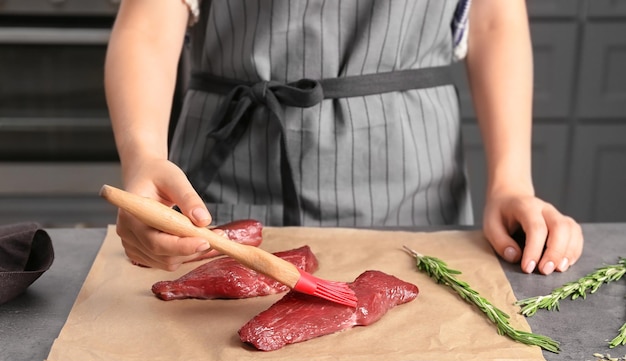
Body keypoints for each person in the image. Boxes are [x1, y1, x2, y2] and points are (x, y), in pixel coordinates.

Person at [104, 0, 583, 275]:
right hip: (221, 180)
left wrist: (511, 180)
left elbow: (494, 18)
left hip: (412, 179)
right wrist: (144, 156)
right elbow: (148, 23)